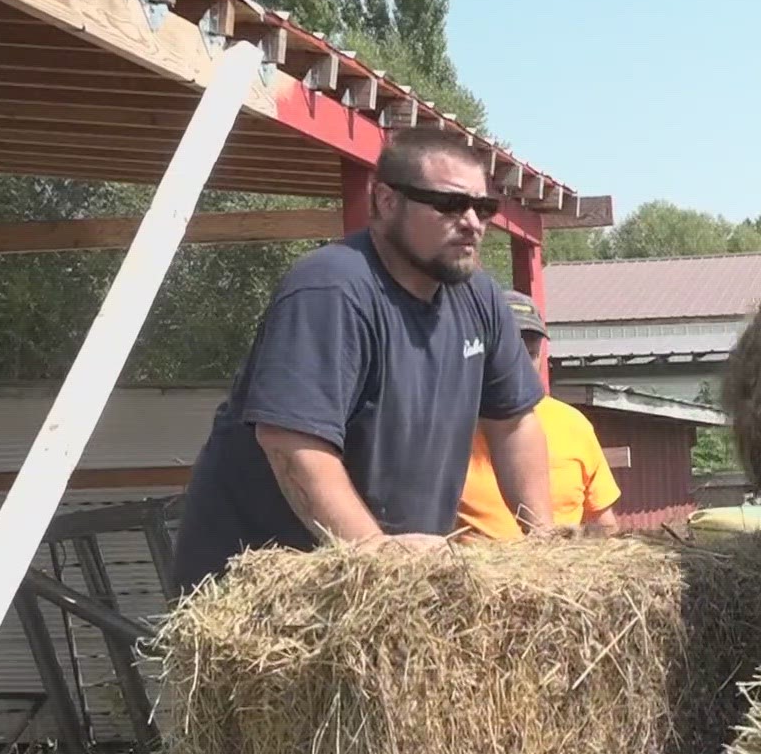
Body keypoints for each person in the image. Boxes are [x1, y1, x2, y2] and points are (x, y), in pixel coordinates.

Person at [171, 127, 556, 592]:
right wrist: (377, 559)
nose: (473, 222)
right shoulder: (330, 289)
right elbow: (292, 445)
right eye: (450, 205)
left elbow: (514, 423)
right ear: (386, 201)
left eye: (484, 208)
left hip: (381, 593)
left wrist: (546, 548)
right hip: (272, 596)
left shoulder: (479, 297)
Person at [456, 291, 624, 539]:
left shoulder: (573, 425)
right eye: (511, 353)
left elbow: (604, 525)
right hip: (476, 571)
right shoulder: (444, 427)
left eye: (531, 353)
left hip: (559, 567)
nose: (520, 365)